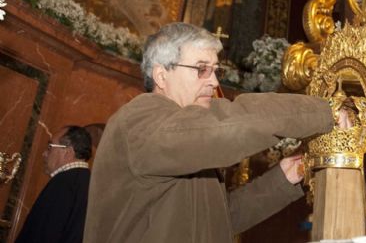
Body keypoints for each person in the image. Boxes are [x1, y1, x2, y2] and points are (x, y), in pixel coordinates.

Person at [83, 23, 336, 243]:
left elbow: (219, 221)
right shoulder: (139, 120)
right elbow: (224, 126)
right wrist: (324, 113)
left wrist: (282, 179)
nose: (214, 81)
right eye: (201, 69)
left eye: (216, 70)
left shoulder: (184, 135)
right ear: (161, 75)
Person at [16, 126, 92, 243]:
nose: (44, 154)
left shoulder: (63, 183)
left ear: (68, 152)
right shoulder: (90, 183)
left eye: (50, 147)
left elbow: (41, 233)